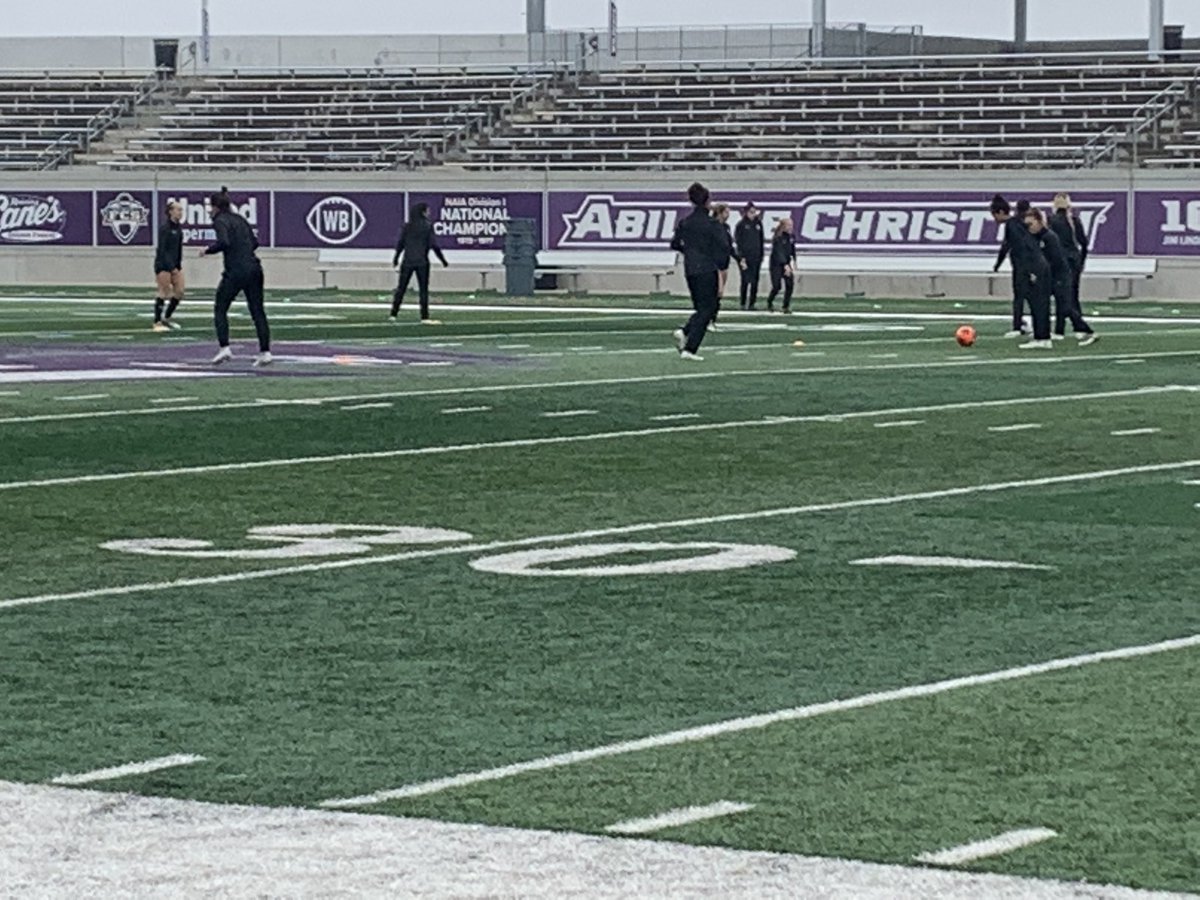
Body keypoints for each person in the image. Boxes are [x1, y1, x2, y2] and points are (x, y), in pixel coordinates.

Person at [201, 187, 271, 367]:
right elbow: (254, 242)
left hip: (236, 270)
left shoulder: (220, 220)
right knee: (258, 311)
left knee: (220, 308)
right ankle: (265, 351)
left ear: (215, 206)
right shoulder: (240, 219)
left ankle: (224, 347)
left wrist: (208, 250)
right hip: (255, 267)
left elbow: (224, 242)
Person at [669, 182, 729, 361]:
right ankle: (690, 347)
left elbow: (674, 243)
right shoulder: (711, 223)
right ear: (707, 201)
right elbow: (723, 246)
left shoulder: (685, 222)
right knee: (708, 309)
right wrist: (719, 264)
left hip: (690, 269)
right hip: (707, 268)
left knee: (701, 308)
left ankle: (685, 331)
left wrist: (689, 252)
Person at [1030, 208, 1097, 346]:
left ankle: (1086, 330)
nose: (1029, 228)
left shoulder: (1049, 237)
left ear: (1038, 222)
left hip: (1060, 275)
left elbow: (1055, 260)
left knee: (1065, 306)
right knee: (1044, 303)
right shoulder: (1039, 237)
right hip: (1053, 275)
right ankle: (1046, 335)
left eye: (1031, 224)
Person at [391, 202, 448, 325]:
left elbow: (401, 243)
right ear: (423, 212)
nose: (429, 213)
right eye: (427, 211)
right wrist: (443, 260)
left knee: (401, 288)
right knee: (423, 290)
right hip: (422, 261)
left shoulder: (407, 226)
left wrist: (396, 258)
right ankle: (424, 316)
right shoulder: (427, 226)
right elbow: (433, 244)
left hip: (407, 261)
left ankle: (393, 313)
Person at [1050, 193, 1096, 344]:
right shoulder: (1074, 221)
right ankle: (1078, 328)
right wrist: (1081, 261)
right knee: (1073, 295)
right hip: (1074, 260)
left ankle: (1062, 329)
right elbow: (1084, 243)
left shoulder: (1053, 221)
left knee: (1061, 296)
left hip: (1061, 262)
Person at [994, 197, 1032, 337]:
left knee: (1019, 296)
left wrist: (998, 263)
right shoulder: (1029, 223)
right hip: (1034, 263)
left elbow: (1006, 245)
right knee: (1034, 296)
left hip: (1021, 264)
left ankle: (1018, 325)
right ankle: (1034, 324)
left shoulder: (1012, 224)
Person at [152, 201, 185, 332]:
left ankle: (167, 317)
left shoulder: (179, 229)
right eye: (178, 210)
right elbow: (163, 250)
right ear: (170, 211)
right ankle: (157, 321)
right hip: (163, 264)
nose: (180, 213)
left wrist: (178, 266)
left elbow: (178, 249)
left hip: (175, 265)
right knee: (164, 292)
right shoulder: (165, 228)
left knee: (180, 291)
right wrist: (171, 267)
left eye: (181, 210)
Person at [710, 202, 737, 331]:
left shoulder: (726, 227)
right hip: (714, 263)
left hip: (724, 263)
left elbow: (729, 246)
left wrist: (738, 258)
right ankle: (709, 318)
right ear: (720, 213)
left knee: (719, 294)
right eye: (726, 212)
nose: (728, 215)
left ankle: (713, 318)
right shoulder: (712, 226)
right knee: (716, 292)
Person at [734, 202, 765, 310]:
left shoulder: (758, 224)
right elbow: (738, 241)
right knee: (745, 280)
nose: (753, 214)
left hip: (756, 257)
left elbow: (761, 240)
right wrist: (741, 257)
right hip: (745, 258)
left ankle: (752, 303)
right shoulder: (741, 225)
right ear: (746, 212)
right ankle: (743, 302)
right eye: (751, 212)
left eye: (754, 212)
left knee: (755, 280)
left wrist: (761, 254)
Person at [767, 217, 796, 313]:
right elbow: (779, 252)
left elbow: (791, 249)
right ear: (783, 226)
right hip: (777, 264)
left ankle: (786, 305)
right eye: (789, 225)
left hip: (786, 263)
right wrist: (785, 265)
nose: (791, 227)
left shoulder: (791, 237)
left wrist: (794, 261)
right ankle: (770, 301)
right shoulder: (778, 238)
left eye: (791, 225)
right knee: (777, 286)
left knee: (790, 284)